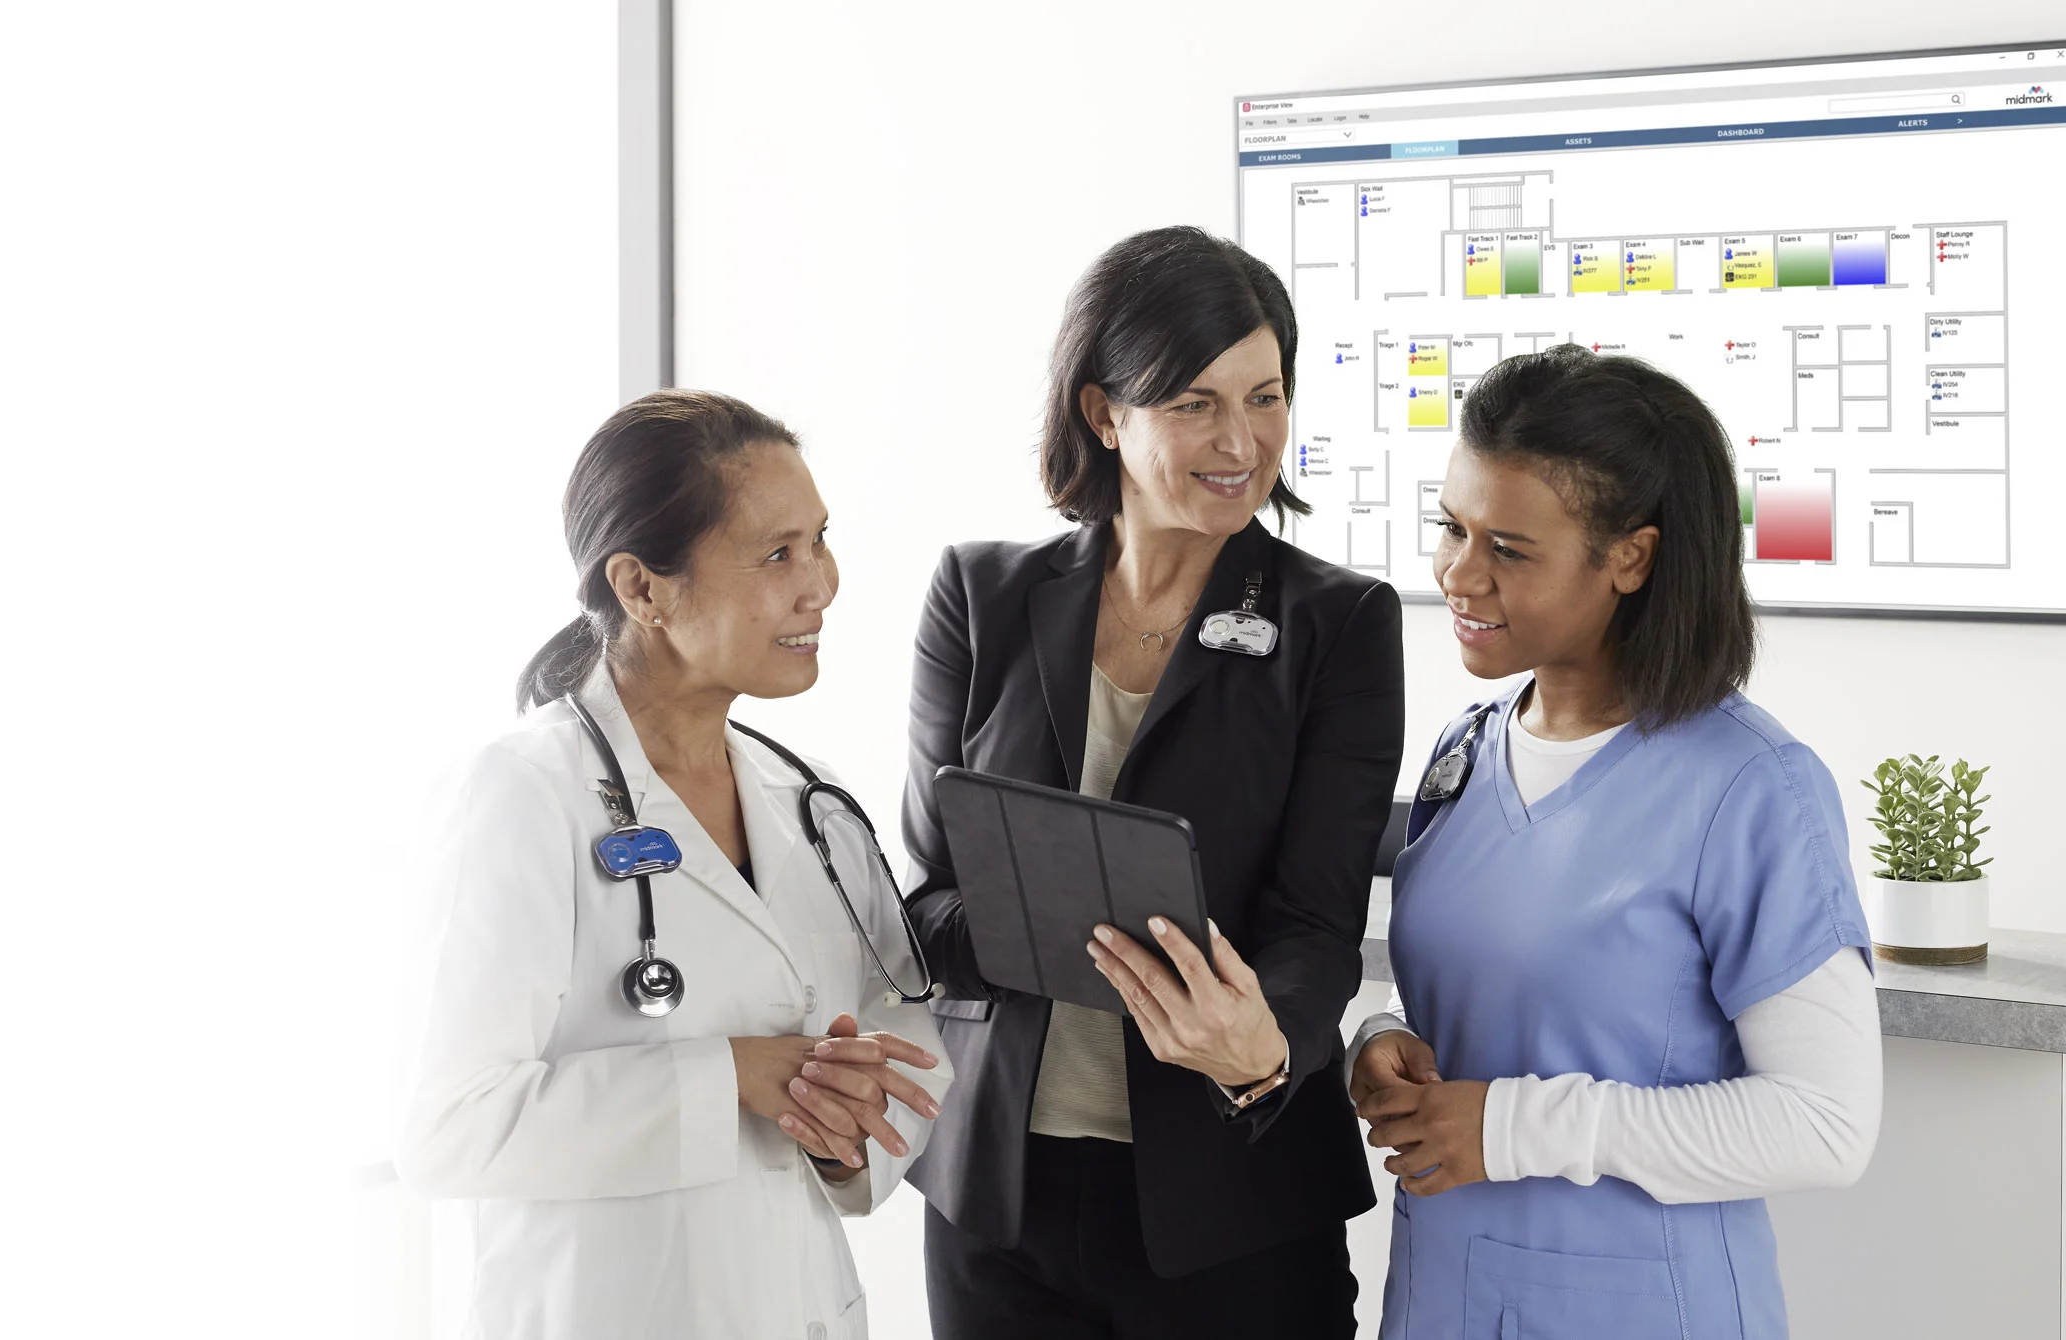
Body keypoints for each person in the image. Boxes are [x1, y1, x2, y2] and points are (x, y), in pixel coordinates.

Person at [900, 226, 1402, 1338]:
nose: (1242, 440)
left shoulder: (1340, 623)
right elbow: (928, 901)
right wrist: (1072, 925)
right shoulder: (980, 594)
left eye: (1264, 396)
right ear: (1101, 413)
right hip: (1000, 1201)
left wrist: (1262, 1046)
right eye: (1193, 403)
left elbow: (1320, 925)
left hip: (1233, 1202)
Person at [396, 388, 951, 1340]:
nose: (822, 583)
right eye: (778, 553)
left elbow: (908, 1036)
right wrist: (726, 1076)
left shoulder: (811, 801)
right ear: (642, 587)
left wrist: (847, 1132)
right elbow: (452, 1129)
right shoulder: (524, 794)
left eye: (820, 540)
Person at [1356, 345, 1883, 1338]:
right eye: (1452, 528)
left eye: (1509, 548)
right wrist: (1382, 1038)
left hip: (1644, 1304)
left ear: (1630, 557)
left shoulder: (1750, 788)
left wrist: (1513, 1127)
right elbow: (1479, 977)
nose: (1459, 575)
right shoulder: (1463, 753)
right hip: (1445, 1294)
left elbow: (1827, 1123)